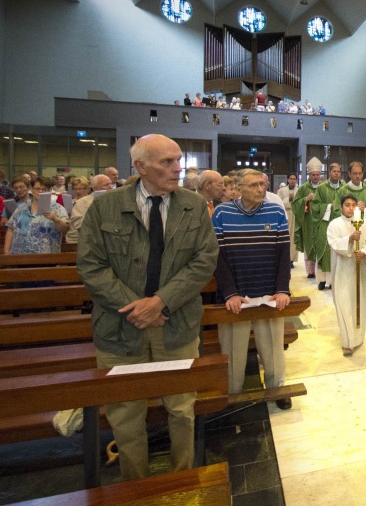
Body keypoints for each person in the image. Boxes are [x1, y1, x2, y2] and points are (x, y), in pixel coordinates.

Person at [75, 134, 218, 481]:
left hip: (176, 324)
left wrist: (161, 302)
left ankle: (183, 484)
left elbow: (205, 260)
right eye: (166, 162)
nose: (177, 169)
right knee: (126, 415)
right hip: (121, 329)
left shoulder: (193, 206)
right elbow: (91, 266)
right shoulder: (106, 207)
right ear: (139, 166)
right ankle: (134, 488)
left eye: (178, 161)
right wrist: (135, 308)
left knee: (182, 409)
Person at [212, 169, 293, 408]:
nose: (260, 189)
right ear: (238, 188)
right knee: (233, 349)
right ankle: (233, 394)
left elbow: (283, 253)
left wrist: (282, 289)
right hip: (235, 296)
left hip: (268, 292)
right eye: (254, 185)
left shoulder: (275, 210)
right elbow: (218, 256)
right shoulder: (222, 213)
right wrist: (230, 292)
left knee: (273, 348)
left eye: (263, 184)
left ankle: (277, 389)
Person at [327, 194, 366, 356]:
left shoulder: (362, 225)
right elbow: (334, 243)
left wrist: (363, 252)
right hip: (341, 271)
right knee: (343, 303)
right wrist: (350, 239)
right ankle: (347, 341)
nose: (350, 208)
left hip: (358, 270)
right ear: (341, 207)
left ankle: (358, 338)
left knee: (358, 302)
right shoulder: (334, 224)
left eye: (354, 205)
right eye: (347, 205)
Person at [4, 176, 70, 254]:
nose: (40, 191)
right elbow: (10, 230)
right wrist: (6, 251)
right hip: (19, 256)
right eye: (37, 189)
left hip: (46, 256)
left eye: (44, 189)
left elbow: (65, 229)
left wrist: (56, 219)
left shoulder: (57, 208)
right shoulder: (21, 208)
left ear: (50, 190)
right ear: (32, 189)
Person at [311, 162, 345, 290]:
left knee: (336, 250)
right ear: (329, 172)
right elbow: (315, 205)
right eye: (334, 171)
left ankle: (333, 281)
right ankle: (322, 280)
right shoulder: (322, 188)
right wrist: (329, 206)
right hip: (325, 222)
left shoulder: (344, 187)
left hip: (340, 223)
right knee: (324, 250)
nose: (336, 173)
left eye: (338, 171)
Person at [292, 158, 323, 278]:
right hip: (308, 221)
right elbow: (295, 204)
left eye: (317, 174)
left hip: (320, 220)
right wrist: (306, 199)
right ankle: (310, 271)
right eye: (313, 175)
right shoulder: (304, 188)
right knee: (309, 245)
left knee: (320, 244)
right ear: (309, 175)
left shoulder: (323, 187)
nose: (315, 177)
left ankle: (319, 270)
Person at [66, 174, 113, 244]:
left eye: (111, 184)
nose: (110, 187)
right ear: (95, 188)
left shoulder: (114, 201)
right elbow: (79, 225)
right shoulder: (81, 203)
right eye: (106, 185)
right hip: (81, 242)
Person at [341, 161, 366, 242]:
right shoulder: (342, 190)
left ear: (363, 174)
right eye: (354, 173)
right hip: (347, 232)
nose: (357, 176)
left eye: (360, 173)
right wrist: (353, 208)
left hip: (364, 232)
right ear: (349, 174)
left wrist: (365, 210)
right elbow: (336, 211)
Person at [278, 173, 299, 266]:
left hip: (295, 214)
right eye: (291, 179)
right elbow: (278, 202)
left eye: (294, 179)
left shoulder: (299, 190)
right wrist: (288, 198)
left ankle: (291, 259)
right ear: (288, 180)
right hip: (285, 214)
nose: (292, 180)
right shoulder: (282, 191)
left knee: (294, 237)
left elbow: (301, 202)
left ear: (296, 180)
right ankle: (285, 258)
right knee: (286, 236)